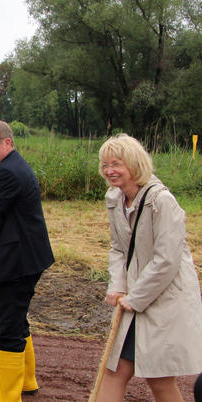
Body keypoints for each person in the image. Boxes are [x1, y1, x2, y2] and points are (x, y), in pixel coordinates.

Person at [97, 134, 202, 402]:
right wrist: (117, 286)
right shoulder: (115, 198)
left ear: (134, 164)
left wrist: (136, 297)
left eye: (117, 164)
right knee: (115, 369)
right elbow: (118, 248)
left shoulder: (162, 201)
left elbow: (167, 259)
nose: (110, 171)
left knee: (159, 379)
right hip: (134, 298)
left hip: (165, 300)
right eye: (105, 164)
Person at [0, 121, 54, 402]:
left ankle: (9, 396)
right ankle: (27, 380)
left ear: (7, 143)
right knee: (17, 318)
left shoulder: (8, 172)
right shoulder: (10, 166)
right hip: (26, 256)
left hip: (19, 260)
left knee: (8, 325)